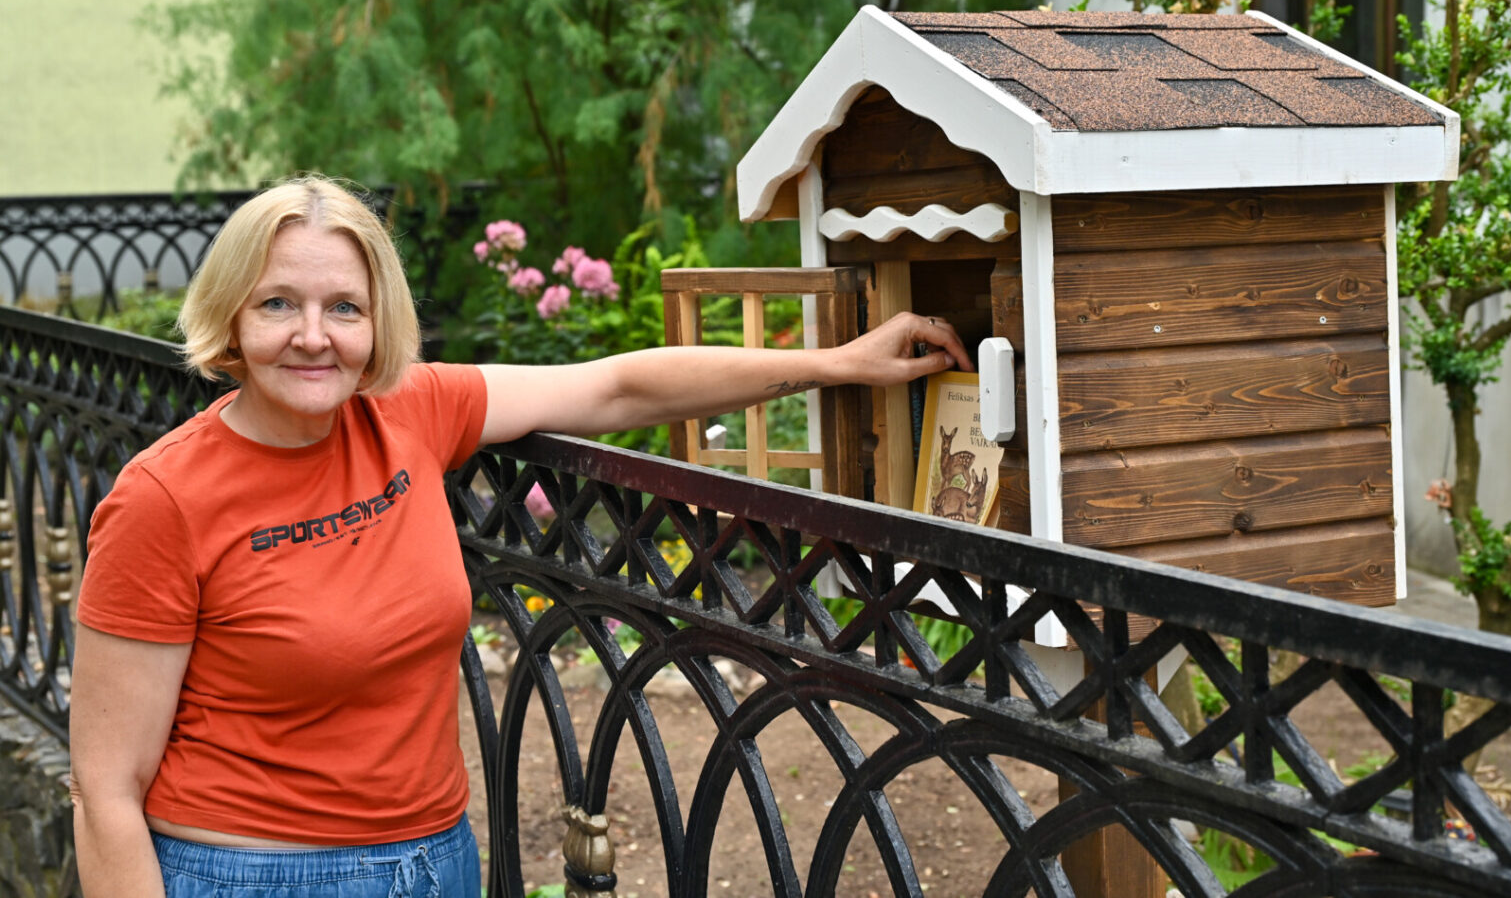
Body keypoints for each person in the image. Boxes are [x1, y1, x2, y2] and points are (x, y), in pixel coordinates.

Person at [68, 175, 971, 898]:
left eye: (344, 306)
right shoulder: (165, 499)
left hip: (437, 859)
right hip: (251, 871)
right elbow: (104, 791)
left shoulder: (407, 412)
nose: (314, 337)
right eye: (277, 305)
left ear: (377, 319)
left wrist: (838, 363)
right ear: (231, 314)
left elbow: (617, 388)